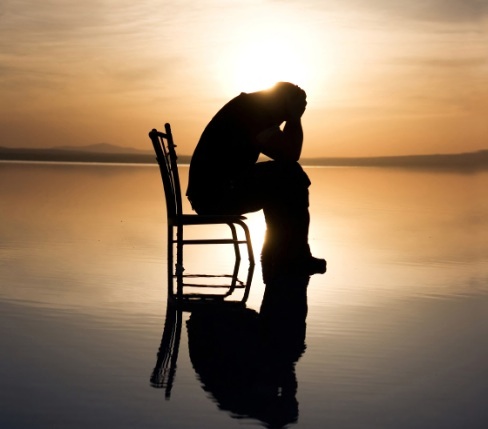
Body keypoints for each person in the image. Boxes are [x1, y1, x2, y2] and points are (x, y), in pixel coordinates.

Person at [186, 82, 326, 282]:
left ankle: (281, 254)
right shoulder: (253, 112)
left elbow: (287, 155)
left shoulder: (253, 107)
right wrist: (294, 118)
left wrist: (292, 116)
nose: (281, 122)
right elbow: (290, 154)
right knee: (289, 174)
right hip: (213, 196)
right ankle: (289, 256)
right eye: (287, 113)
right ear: (283, 103)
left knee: (286, 176)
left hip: (215, 190)